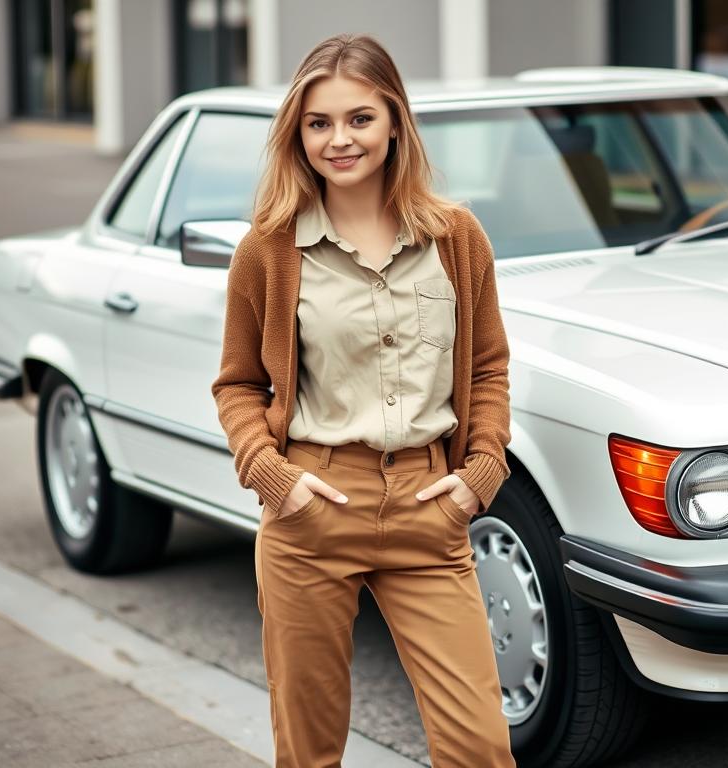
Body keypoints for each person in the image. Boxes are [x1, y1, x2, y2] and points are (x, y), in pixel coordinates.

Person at [210, 32, 516, 768]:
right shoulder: (269, 249)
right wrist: (277, 482)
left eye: (359, 119)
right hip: (312, 508)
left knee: (479, 747)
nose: (338, 140)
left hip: (427, 508)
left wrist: (477, 480)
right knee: (310, 752)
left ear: (394, 121)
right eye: (319, 123)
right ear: (298, 133)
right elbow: (238, 386)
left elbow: (489, 368)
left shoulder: (456, 237)